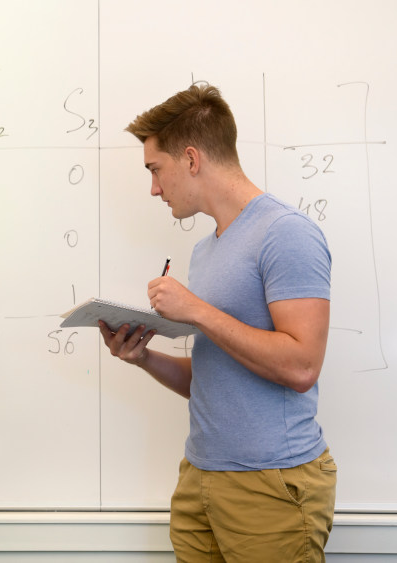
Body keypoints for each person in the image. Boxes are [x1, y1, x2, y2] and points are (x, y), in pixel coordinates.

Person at [99, 84, 337, 562]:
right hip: (200, 479)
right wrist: (142, 357)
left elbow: (302, 367)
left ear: (191, 159)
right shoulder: (205, 251)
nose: (153, 188)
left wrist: (198, 311)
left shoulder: (285, 233)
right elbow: (212, 378)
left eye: (155, 170)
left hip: (270, 486)